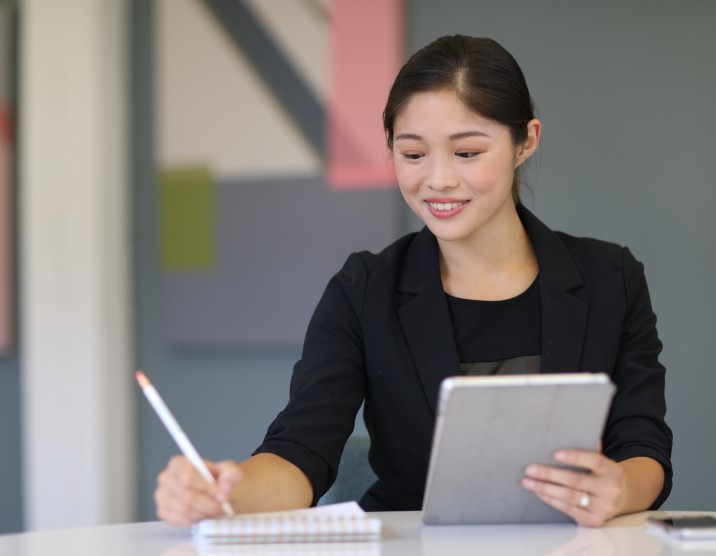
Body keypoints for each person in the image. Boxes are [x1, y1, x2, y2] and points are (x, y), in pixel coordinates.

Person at [154, 35, 672, 528]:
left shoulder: (610, 279)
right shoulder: (364, 289)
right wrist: (224, 491)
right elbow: (300, 451)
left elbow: (642, 445)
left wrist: (619, 488)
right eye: (413, 153)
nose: (438, 179)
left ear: (525, 142)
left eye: (467, 153)